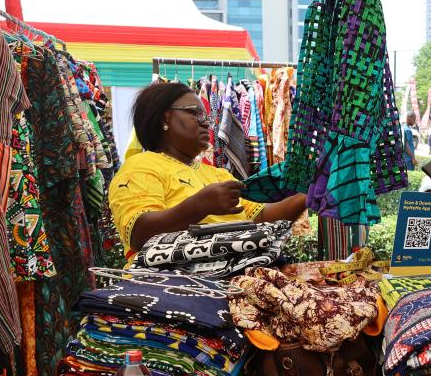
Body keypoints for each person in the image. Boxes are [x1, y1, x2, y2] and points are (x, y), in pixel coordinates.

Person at [109, 82, 307, 259]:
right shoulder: (141, 167)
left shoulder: (216, 174)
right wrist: (200, 205)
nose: (205, 122)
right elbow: (139, 234)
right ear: (165, 118)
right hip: (170, 282)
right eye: (194, 113)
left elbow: (261, 218)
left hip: (229, 277)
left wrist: (308, 195)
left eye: (205, 116)